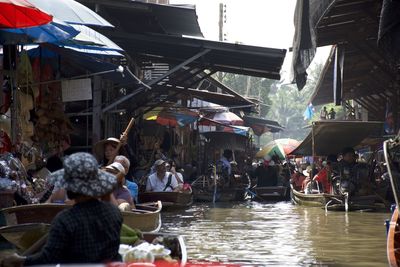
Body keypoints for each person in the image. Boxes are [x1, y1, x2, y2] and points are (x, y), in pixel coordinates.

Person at [1, 152, 122, 265]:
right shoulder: (114, 212)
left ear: (70, 188)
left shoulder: (66, 219)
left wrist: (20, 260)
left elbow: (48, 258)